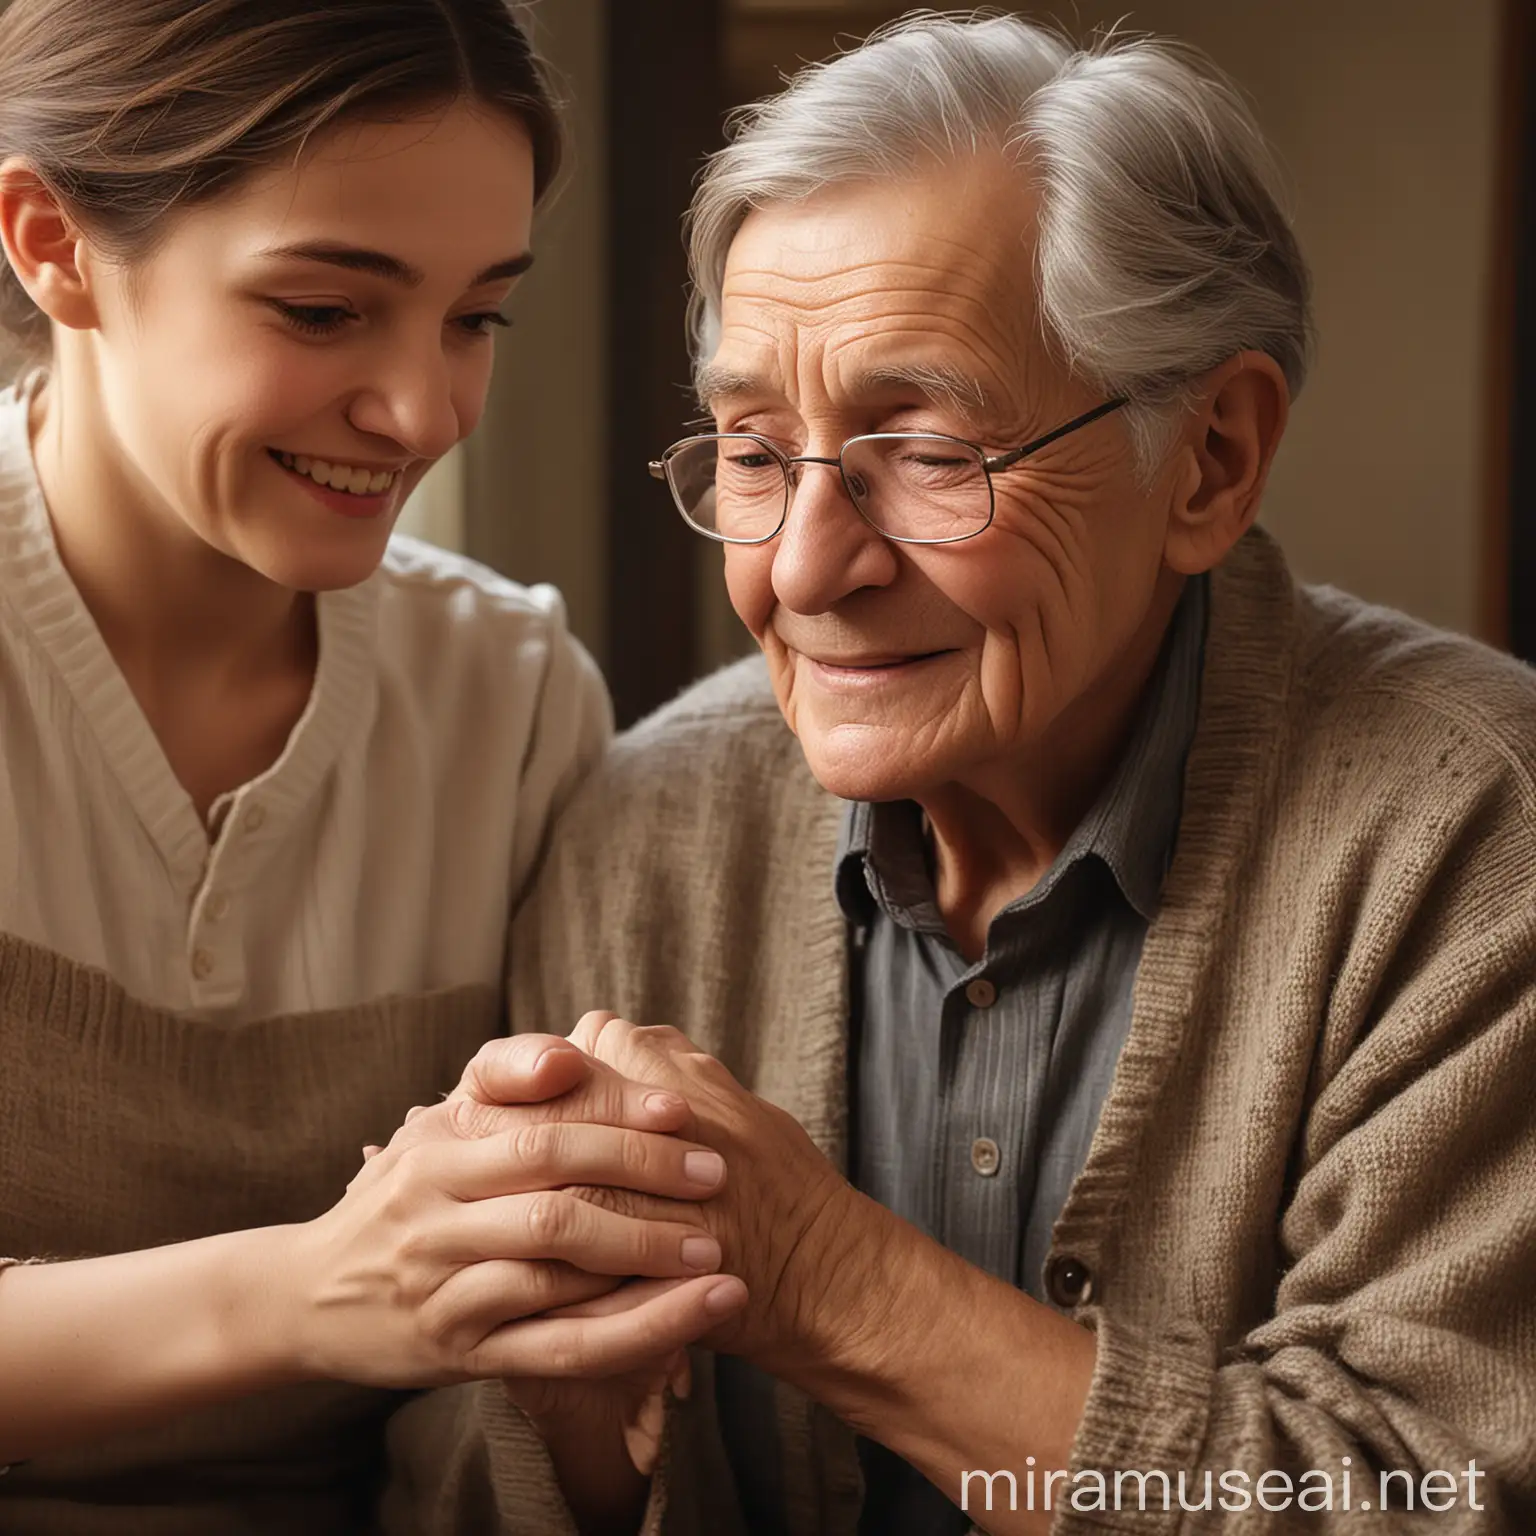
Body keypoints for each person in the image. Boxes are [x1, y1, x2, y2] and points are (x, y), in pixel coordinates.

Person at [416, 12, 1536, 1534]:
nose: (804, 569)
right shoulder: (647, 831)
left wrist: (815, 1274)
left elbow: (1430, 1500)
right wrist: (563, 1385)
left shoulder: (1475, 833)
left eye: (931, 452)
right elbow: (467, 1495)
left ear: (1208, 459)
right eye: (753, 451)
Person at [0, 1, 747, 1530]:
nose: (424, 414)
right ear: (50, 243)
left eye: (477, 317)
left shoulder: (513, 698)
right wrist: (312, 1289)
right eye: (326, 312)